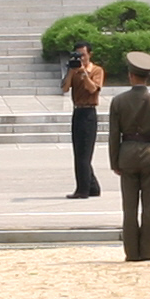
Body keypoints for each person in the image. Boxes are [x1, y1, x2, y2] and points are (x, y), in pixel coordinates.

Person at [107, 51, 150, 262]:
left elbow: (114, 134)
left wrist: (114, 161)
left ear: (130, 75)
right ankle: (149, 251)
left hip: (127, 156)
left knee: (129, 208)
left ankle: (132, 252)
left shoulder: (118, 101)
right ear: (148, 77)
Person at [63, 39, 106, 199]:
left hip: (89, 113)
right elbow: (65, 88)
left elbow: (92, 89)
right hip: (77, 112)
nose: (81, 58)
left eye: (83, 55)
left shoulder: (96, 70)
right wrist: (71, 72)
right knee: (79, 152)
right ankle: (93, 186)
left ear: (90, 54)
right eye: (78, 55)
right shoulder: (74, 70)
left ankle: (83, 190)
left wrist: (83, 72)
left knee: (84, 154)